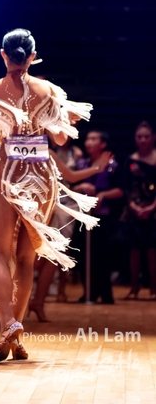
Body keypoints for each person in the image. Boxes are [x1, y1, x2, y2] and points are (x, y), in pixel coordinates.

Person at [0, 28, 99, 363]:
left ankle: (8, 325)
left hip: (9, 175)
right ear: (33, 56)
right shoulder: (49, 90)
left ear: (3, 55)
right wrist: (63, 117)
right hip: (41, 178)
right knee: (26, 258)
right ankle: (15, 334)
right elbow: (60, 140)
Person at [28, 143, 113, 321]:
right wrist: (97, 168)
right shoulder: (26, 147)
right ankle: (22, 302)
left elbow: (70, 177)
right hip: (31, 208)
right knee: (31, 259)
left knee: (52, 256)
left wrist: (97, 168)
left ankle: (37, 302)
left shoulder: (43, 150)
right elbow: (70, 176)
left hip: (45, 207)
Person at [73, 130, 123, 304]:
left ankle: (105, 293)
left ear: (103, 144)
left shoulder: (112, 165)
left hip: (103, 217)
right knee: (83, 255)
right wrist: (81, 187)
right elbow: (70, 186)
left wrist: (102, 195)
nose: (89, 142)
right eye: (88, 139)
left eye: (94, 139)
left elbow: (120, 190)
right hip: (83, 215)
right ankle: (89, 292)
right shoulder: (81, 165)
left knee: (102, 256)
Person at [120, 121, 156, 299]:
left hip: (154, 210)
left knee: (153, 250)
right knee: (134, 249)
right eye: (139, 137)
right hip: (134, 211)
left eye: (146, 136)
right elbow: (126, 188)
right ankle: (134, 288)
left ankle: (154, 289)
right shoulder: (130, 160)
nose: (143, 140)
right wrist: (134, 206)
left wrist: (152, 207)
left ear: (153, 138)